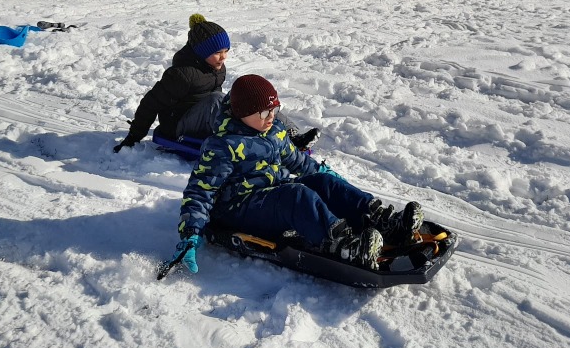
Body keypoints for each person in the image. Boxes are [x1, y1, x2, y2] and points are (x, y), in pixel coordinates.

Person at [167, 74, 423, 272]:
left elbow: (298, 162)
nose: (271, 117)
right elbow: (200, 191)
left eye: (275, 110)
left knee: (321, 182)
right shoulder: (223, 146)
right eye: (264, 113)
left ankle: (383, 221)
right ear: (243, 113)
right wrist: (190, 235)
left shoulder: (273, 131)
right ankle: (343, 245)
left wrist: (328, 177)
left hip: (270, 194)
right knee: (296, 195)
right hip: (237, 208)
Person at [113, 15, 318, 152]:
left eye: (226, 51)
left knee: (252, 98)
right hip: (178, 126)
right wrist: (133, 137)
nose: (224, 57)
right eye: (218, 53)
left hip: (206, 117)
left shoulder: (217, 67)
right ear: (201, 52)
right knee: (216, 99)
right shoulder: (181, 74)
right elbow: (151, 103)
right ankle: (252, 138)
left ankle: (293, 135)